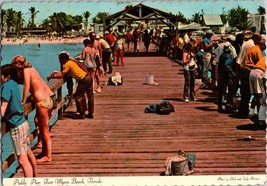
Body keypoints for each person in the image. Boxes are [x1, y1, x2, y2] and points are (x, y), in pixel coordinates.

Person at [11, 55, 55, 163]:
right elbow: (36, 85)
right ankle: (44, 152)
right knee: (40, 124)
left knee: (44, 131)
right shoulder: (32, 69)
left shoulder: (26, 71)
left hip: (42, 102)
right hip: (48, 100)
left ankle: (48, 156)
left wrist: (23, 101)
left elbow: (26, 85)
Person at [1, 64, 37, 177]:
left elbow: (4, 106)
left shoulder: (6, 86)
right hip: (23, 123)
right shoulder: (14, 84)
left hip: (16, 125)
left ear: (6, 76)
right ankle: (35, 178)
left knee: (22, 160)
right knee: (28, 152)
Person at [50, 52, 94, 119]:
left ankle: (81, 114)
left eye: (60, 59)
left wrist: (52, 76)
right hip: (88, 77)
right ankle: (91, 113)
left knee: (77, 97)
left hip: (83, 80)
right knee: (90, 97)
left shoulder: (67, 64)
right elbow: (65, 72)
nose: (59, 61)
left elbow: (62, 75)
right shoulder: (71, 62)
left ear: (63, 59)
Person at [233, 34, 264, 118]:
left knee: (244, 92)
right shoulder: (255, 48)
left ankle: (244, 110)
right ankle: (256, 114)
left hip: (243, 69)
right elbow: (260, 62)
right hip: (249, 70)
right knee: (255, 94)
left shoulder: (249, 46)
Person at [217, 45, 235, 113]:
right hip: (227, 76)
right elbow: (227, 65)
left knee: (221, 91)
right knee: (230, 90)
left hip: (221, 75)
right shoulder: (228, 56)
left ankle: (219, 105)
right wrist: (232, 73)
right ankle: (228, 105)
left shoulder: (222, 55)